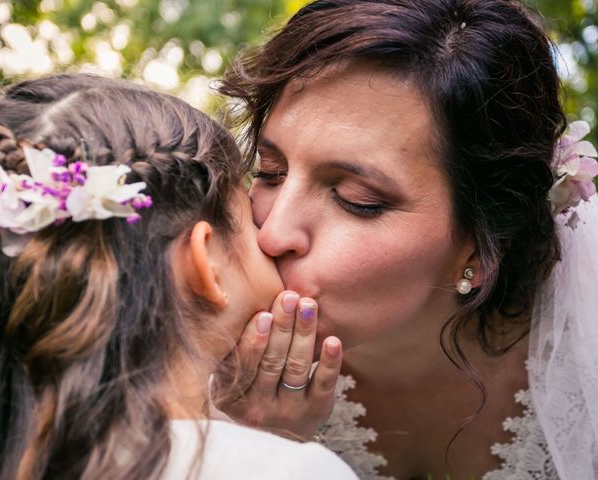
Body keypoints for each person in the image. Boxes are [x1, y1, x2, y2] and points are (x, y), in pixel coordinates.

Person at [215, 0, 598, 478]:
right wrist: (260, 452)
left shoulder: (586, 361)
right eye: (270, 172)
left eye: (357, 199)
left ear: (483, 242)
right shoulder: (206, 362)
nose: (271, 234)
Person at [0, 74, 358, 479]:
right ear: (207, 264)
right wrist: (276, 447)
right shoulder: (287, 469)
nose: (272, 235)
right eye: (251, 218)